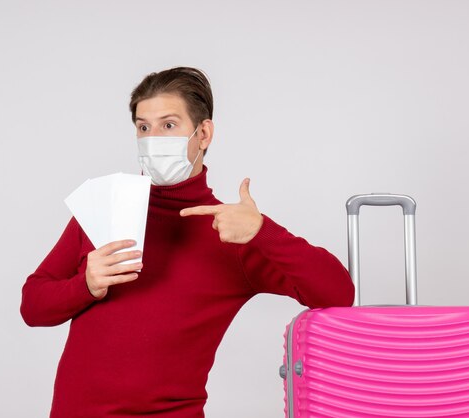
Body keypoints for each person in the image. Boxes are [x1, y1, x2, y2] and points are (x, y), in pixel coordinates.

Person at [20, 67, 354, 418]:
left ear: (204, 133)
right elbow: (32, 306)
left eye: (168, 125)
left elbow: (337, 294)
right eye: (143, 127)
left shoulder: (232, 235)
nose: (153, 139)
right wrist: (85, 286)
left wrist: (264, 231)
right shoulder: (104, 210)